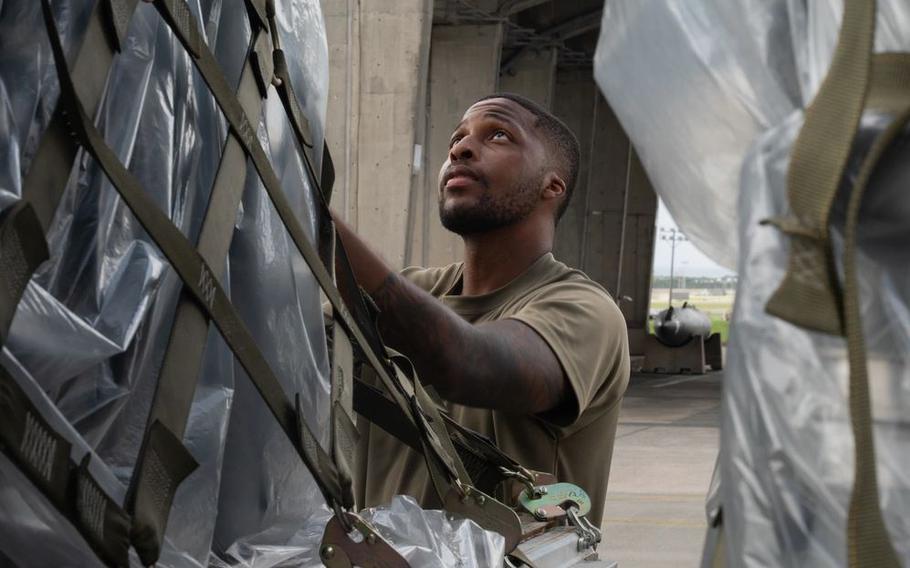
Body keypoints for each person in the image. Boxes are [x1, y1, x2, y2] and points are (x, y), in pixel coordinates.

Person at [334, 92, 630, 525]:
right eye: (457, 137)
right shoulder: (419, 289)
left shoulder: (584, 311)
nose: (460, 148)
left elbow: (464, 363)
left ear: (553, 184)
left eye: (498, 134)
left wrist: (309, 215)